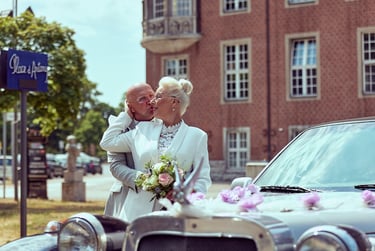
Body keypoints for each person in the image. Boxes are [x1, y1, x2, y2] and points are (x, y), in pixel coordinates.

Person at [100, 76, 212, 221]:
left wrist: (186, 197)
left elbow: (202, 178)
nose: (152, 101)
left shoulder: (197, 136)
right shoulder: (142, 129)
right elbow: (107, 142)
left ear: (173, 102)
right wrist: (127, 114)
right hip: (135, 212)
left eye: (157, 96)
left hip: (175, 213)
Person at [103, 82, 155, 217]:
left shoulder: (164, 124)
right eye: (142, 99)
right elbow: (116, 166)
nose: (150, 101)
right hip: (127, 195)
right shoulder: (118, 128)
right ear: (130, 107)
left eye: (152, 95)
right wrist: (143, 180)